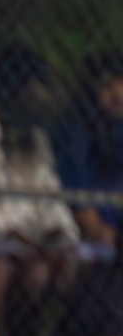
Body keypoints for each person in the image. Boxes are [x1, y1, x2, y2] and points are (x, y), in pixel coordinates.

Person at [0, 44, 79, 325]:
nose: (44, 98)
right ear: (15, 87)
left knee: (68, 266)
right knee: (17, 272)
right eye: (38, 86)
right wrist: (12, 236)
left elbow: (50, 197)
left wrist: (59, 233)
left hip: (28, 243)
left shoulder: (33, 135)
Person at [55, 51, 123, 251]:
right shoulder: (78, 127)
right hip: (95, 225)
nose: (108, 95)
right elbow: (78, 195)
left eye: (113, 84)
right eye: (103, 86)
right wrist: (100, 232)